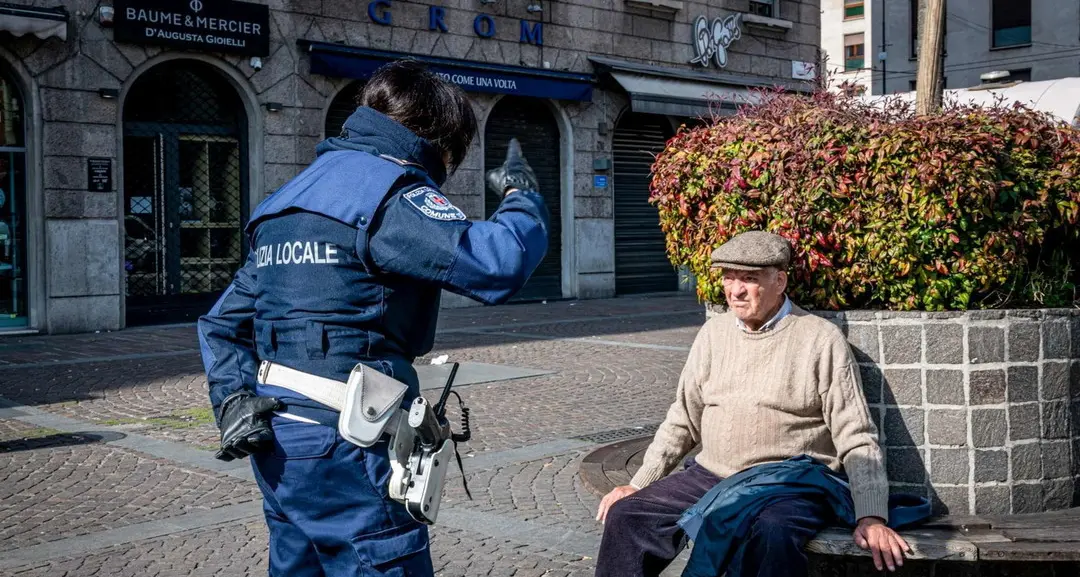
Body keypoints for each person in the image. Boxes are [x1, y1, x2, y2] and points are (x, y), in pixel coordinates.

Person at [198, 60, 549, 577]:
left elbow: (221, 322)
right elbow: (500, 264)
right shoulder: (390, 193)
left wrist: (230, 397)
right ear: (437, 138)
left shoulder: (284, 202)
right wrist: (522, 195)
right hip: (351, 443)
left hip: (277, 442)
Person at [594, 231, 911, 577]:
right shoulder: (713, 334)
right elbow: (683, 418)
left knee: (769, 532)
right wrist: (639, 483)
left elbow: (857, 436)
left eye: (749, 279)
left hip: (786, 486)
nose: (735, 290)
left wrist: (871, 515)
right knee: (629, 516)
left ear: (779, 281)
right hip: (710, 474)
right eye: (729, 278)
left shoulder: (820, 339)